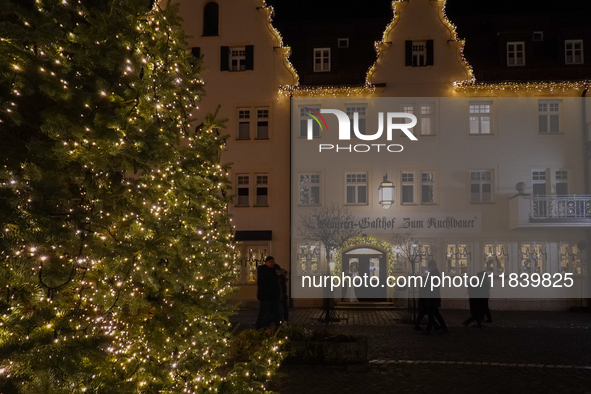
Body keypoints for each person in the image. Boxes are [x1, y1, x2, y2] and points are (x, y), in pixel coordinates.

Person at [420, 260, 448, 335]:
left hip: (432, 297)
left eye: (429, 266)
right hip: (433, 296)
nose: (429, 268)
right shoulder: (433, 273)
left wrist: (425, 282)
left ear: (432, 266)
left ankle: (429, 329)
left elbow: (433, 285)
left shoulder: (435, 274)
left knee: (432, 313)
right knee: (434, 313)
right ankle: (442, 327)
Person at [255, 256, 283, 329]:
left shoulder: (271, 270)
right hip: (266, 296)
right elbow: (265, 284)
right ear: (266, 262)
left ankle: (276, 326)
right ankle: (259, 326)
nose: (272, 263)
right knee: (264, 312)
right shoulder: (264, 271)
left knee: (275, 313)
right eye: (270, 261)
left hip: (273, 296)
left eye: (273, 262)